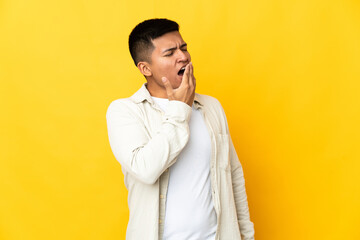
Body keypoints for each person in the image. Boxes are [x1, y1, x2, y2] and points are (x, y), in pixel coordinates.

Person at [106, 18, 255, 240]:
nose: (183, 56)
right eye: (170, 53)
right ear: (145, 68)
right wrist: (178, 108)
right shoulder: (124, 111)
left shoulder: (211, 107)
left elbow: (233, 176)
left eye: (183, 48)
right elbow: (146, 169)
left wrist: (246, 235)